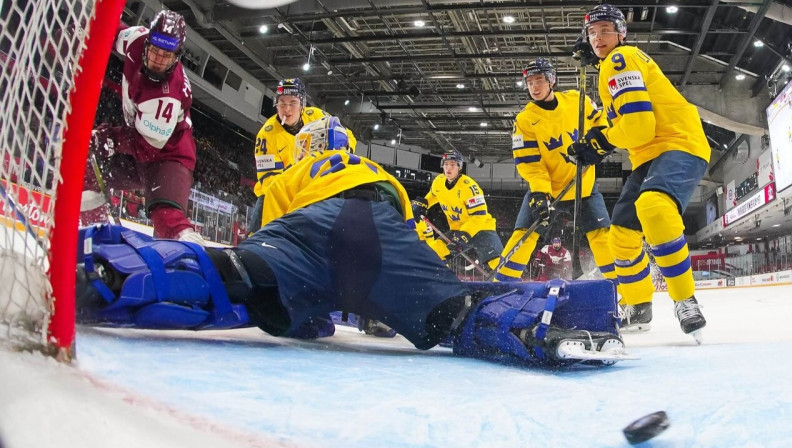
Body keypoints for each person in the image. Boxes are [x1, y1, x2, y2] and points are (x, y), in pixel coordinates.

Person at [74, 116, 630, 367]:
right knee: (454, 314)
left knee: (238, 276)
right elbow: (393, 228)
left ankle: (114, 271)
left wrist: (306, 308)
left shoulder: (294, 173)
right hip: (367, 224)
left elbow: (273, 226)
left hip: (293, 230)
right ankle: (549, 325)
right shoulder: (368, 169)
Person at [569, 4, 709, 337]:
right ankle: (638, 306)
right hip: (649, 154)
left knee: (654, 207)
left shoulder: (620, 60)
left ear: (621, 33)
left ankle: (685, 300)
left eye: (605, 30)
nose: (598, 37)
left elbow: (639, 127)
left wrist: (600, 144)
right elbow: (625, 122)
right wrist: (595, 139)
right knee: (622, 234)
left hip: (678, 143)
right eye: (592, 32)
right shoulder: (613, 66)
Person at [493, 58, 620, 290]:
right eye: (529, 82)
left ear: (551, 80)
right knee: (523, 236)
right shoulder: (524, 120)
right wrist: (540, 193)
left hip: (583, 185)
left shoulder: (577, 101)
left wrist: (597, 143)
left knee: (602, 236)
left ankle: (620, 289)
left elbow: (602, 122)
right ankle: (500, 287)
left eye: (539, 80)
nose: (534, 87)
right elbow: (530, 163)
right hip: (547, 190)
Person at [80, 10, 203, 244]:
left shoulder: (167, 96)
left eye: (165, 55)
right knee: (84, 163)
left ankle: (195, 262)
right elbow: (110, 32)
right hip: (138, 147)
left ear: (177, 57)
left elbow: (147, 148)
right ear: (147, 42)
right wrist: (84, 31)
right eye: (154, 51)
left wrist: (109, 138)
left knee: (167, 217)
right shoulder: (136, 39)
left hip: (168, 156)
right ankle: (94, 234)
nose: (157, 60)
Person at [250, 78, 357, 232]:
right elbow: (269, 183)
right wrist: (297, 180)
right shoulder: (266, 135)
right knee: (258, 237)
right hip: (278, 194)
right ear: (276, 104)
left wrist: (342, 153)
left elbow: (348, 136)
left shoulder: (317, 116)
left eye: (292, 103)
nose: (287, 109)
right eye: (282, 103)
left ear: (302, 104)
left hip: (314, 186)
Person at [411, 149, 503, 272]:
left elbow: (479, 216)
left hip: (481, 229)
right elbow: (433, 195)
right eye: (446, 164)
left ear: (459, 167)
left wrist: (464, 235)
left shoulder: (469, 187)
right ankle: (443, 281)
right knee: (433, 252)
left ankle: (510, 284)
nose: (448, 168)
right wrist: (423, 204)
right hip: (457, 229)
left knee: (496, 263)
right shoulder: (438, 182)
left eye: (452, 165)